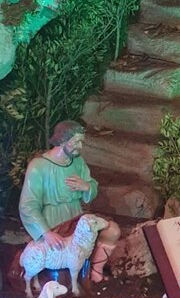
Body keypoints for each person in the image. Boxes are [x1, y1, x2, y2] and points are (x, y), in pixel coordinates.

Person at [18, 121, 120, 283]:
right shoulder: (38, 167)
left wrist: (86, 187)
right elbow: (27, 206)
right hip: (53, 222)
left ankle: (95, 270)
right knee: (59, 257)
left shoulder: (77, 162)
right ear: (62, 140)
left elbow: (92, 186)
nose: (80, 146)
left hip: (76, 218)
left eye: (81, 142)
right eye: (76, 142)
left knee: (112, 231)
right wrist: (46, 233)